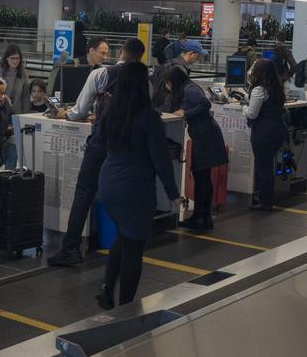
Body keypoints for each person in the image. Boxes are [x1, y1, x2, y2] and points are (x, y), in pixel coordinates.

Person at [47, 38, 147, 267]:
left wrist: (68, 115)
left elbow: (79, 110)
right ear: (140, 56)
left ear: (121, 52)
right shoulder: (143, 78)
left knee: (84, 191)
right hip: (128, 146)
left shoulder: (101, 75)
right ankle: (125, 244)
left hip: (102, 141)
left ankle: (71, 249)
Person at [95, 61, 181, 309]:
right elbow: (161, 160)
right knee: (134, 248)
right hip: (135, 188)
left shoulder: (110, 112)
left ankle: (107, 289)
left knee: (124, 236)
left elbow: (98, 139)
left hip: (108, 183)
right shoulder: (149, 118)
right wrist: (173, 193)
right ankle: (126, 309)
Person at [165, 68, 228, 230]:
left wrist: (186, 112)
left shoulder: (189, 90)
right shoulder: (187, 89)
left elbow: (205, 104)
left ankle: (202, 217)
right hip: (204, 135)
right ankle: (202, 216)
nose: (167, 87)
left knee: (202, 177)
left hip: (206, 136)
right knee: (202, 177)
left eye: (168, 83)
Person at [245, 58, 287, 212]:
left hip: (263, 132)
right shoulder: (277, 88)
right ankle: (266, 199)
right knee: (268, 165)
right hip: (277, 131)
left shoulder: (258, 90)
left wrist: (243, 108)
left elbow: (252, 114)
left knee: (263, 167)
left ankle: (265, 202)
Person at [152, 39, 208, 109]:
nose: (198, 58)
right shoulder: (179, 69)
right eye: (198, 55)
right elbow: (178, 95)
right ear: (192, 53)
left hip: (156, 106)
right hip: (167, 110)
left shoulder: (168, 63)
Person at [0, 44, 31, 115]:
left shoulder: (23, 74)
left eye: (17, 58)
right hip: (0, 113)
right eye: (13, 58)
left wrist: (26, 116)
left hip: (17, 113)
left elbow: (26, 98)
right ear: (7, 58)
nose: (15, 61)